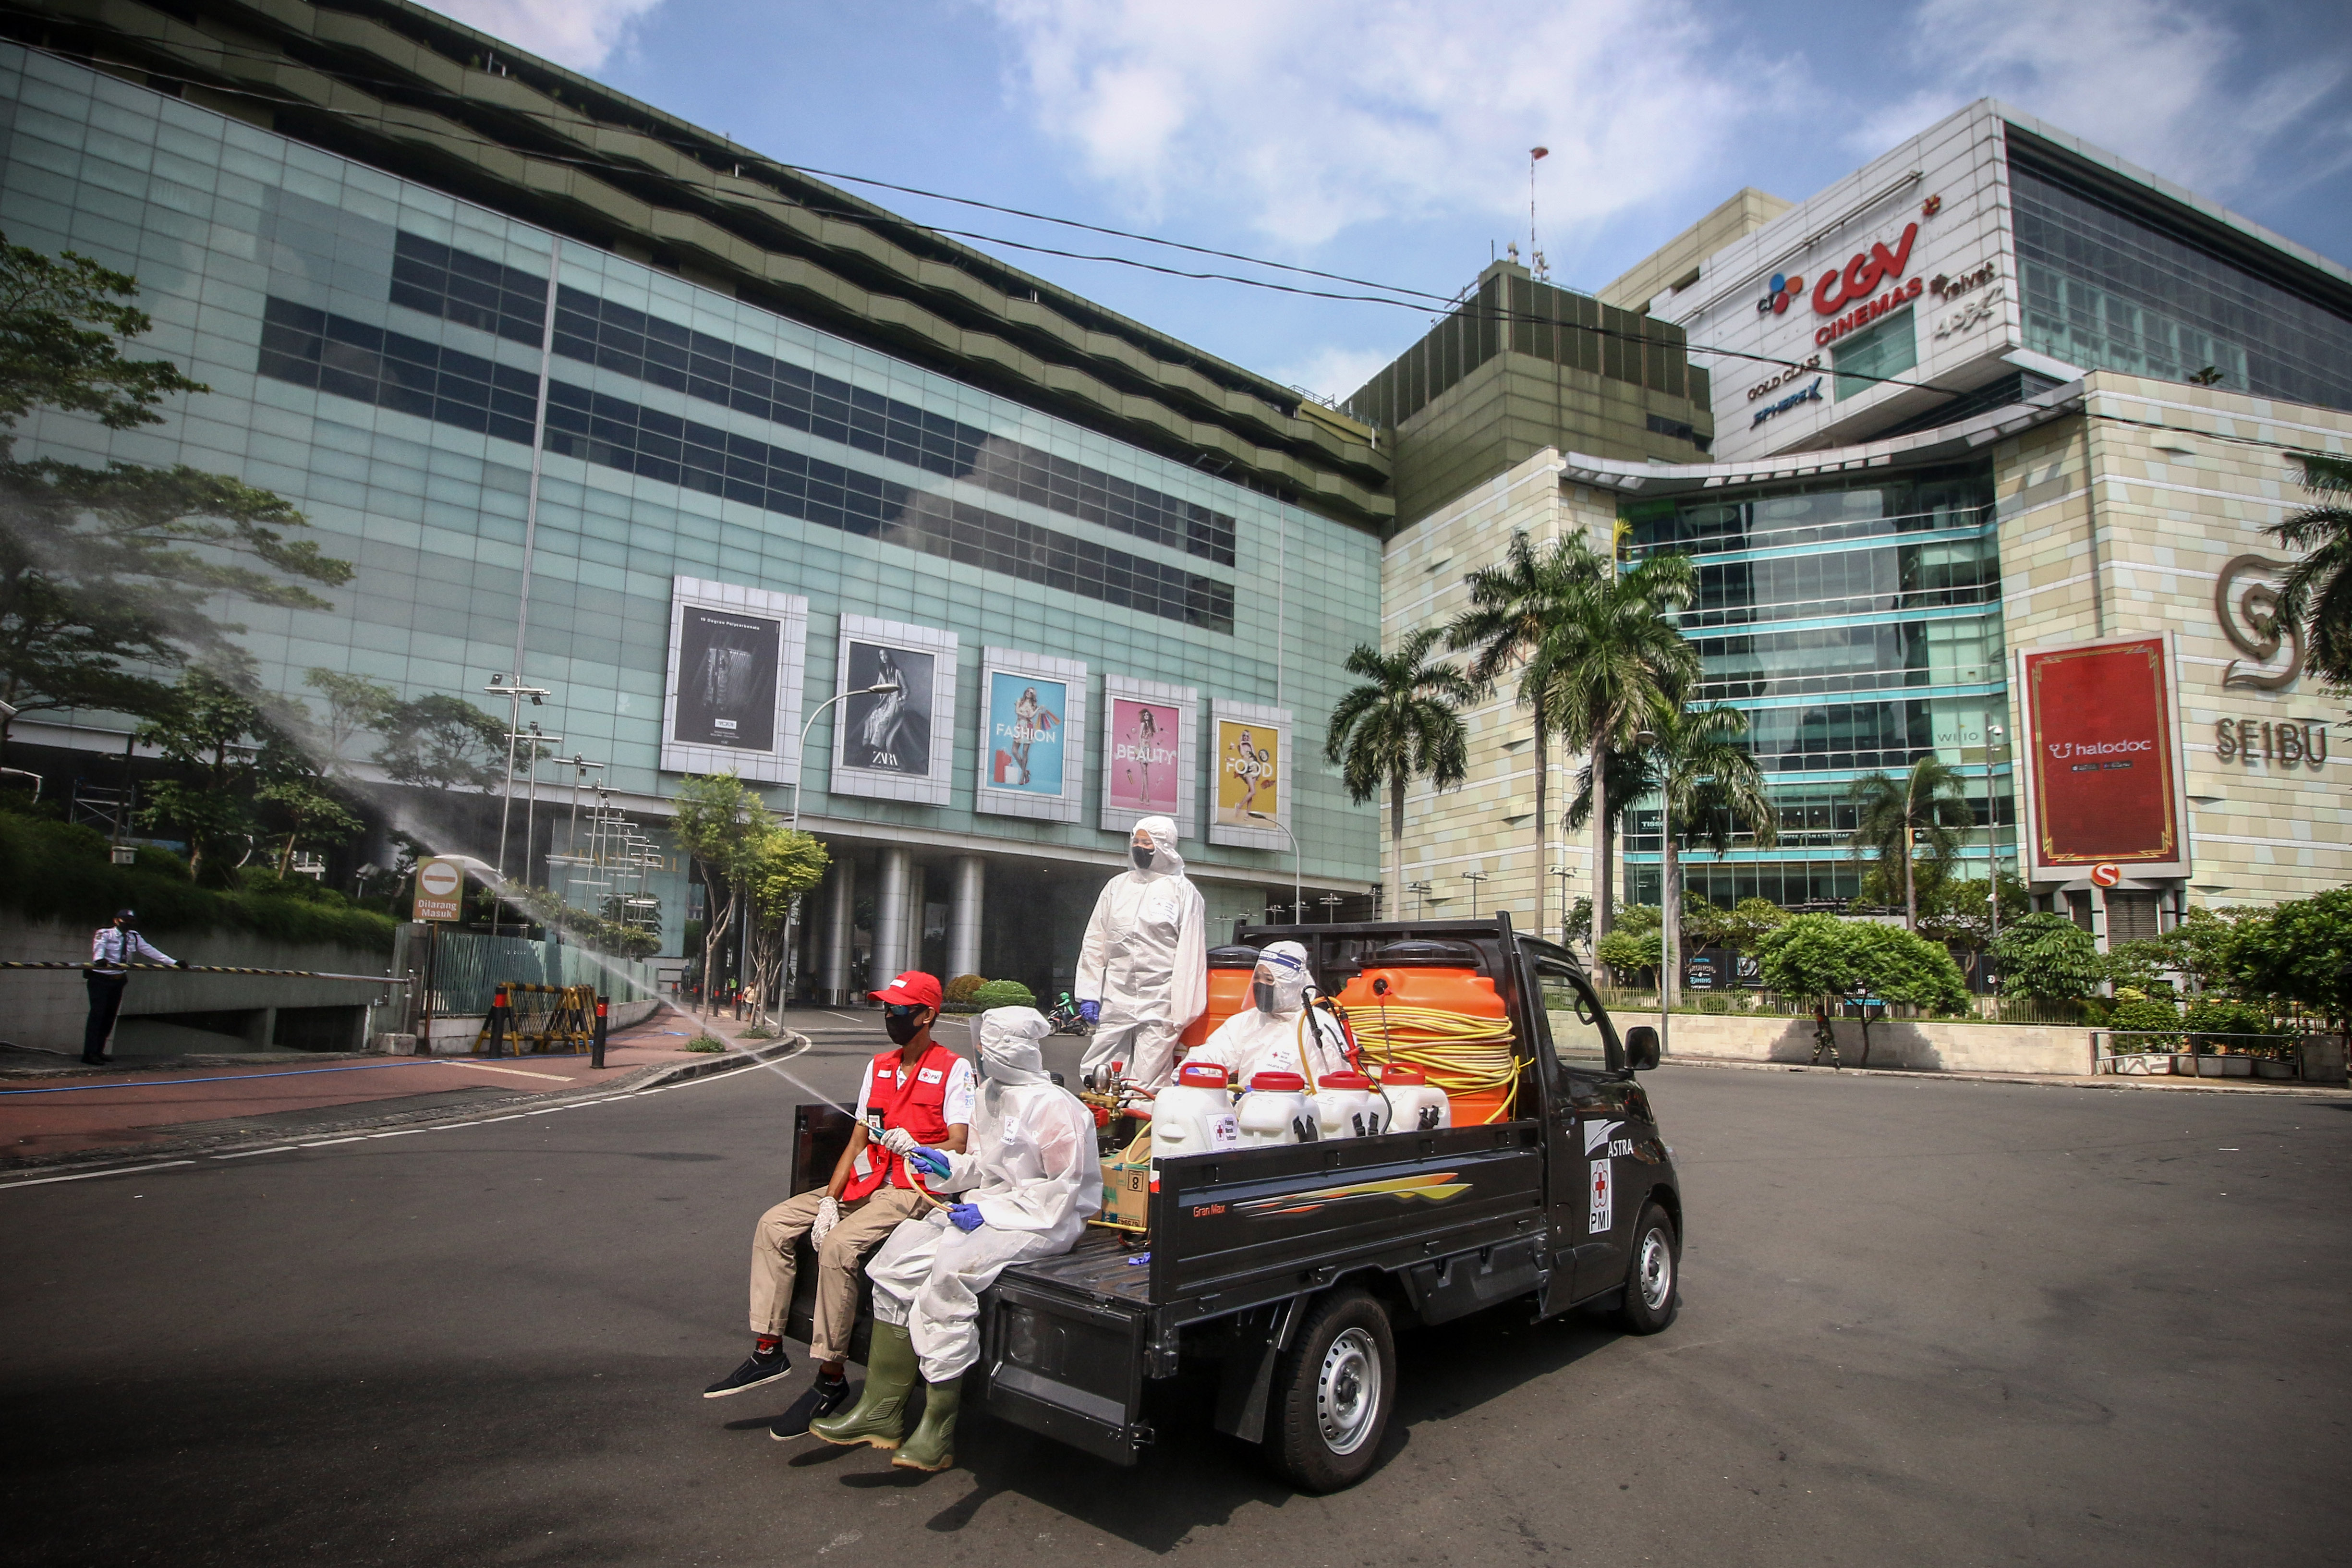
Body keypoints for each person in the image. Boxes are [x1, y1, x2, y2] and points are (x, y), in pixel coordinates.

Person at [809, 1006, 1100, 1471]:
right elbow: (980, 1165)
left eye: (988, 1044)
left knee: (949, 1275)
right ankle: (880, 1410)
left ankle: (938, 1428)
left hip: (1043, 1222)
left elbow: (1062, 1193)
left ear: (1010, 1048)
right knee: (895, 1260)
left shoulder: (1057, 1107)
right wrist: (944, 1165)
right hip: (987, 1209)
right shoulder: (989, 1094)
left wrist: (989, 1210)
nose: (980, 1051)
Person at [702, 970, 974, 1441]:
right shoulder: (880, 1066)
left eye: (899, 1009)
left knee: (839, 1247)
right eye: (886, 1008)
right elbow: (856, 1141)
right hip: (867, 1180)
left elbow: (960, 1142)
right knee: (773, 1224)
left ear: (927, 1015)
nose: (889, 1016)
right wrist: (829, 1199)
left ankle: (830, 1377)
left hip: (913, 1186)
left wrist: (919, 1147)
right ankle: (768, 1350)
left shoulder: (954, 1069)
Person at [1075, 814, 1206, 1090]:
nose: (1139, 848)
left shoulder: (1183, 892)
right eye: (1136, 841)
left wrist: (1184, 1008)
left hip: (1160, 997)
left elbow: (1191, 954)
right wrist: (1090, 993)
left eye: (1147, 843)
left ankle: (1140, 1116)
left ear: (1164, 847)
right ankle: (1101, 1114)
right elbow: (1095, 942)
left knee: (1148, 1078)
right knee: (1099, 1069)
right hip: (1116, 994)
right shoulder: (1117, 887)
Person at [1182, 941, 1350, 1087]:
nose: (1261, 985)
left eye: (1269, 980)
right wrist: (1191, 1071)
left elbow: (1332, 1088)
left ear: (1291, 985)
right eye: (1257, 978)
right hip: (1247, 1107)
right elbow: (1215, 1052)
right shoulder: (1248, 1021)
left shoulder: (1317, 1026)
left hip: (1296, 1110)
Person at [83, 909, 182, 1065]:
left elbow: (150, 950)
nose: (128, 924)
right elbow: (99, 947)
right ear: (116, 921)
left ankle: (99, 1051)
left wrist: (174, 962)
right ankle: (89, 1054)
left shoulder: (133, 937)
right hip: (101, 979)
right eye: (125, 921)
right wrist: (99, 960)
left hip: (118, 980)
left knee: (110, 1016)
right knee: (98, 1015)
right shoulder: (105, 933)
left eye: (131, 921)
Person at [1810, 1003, 1842, 1070]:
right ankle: (1836, 1062)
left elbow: (1823, 1027)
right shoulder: (1824, 1017)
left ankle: (1815, 1061)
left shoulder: (1821, 1017)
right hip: (1828, 1034)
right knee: (1831, 1048)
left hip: (1824, 1035)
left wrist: (1819, 1033)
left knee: (1819, 1048)